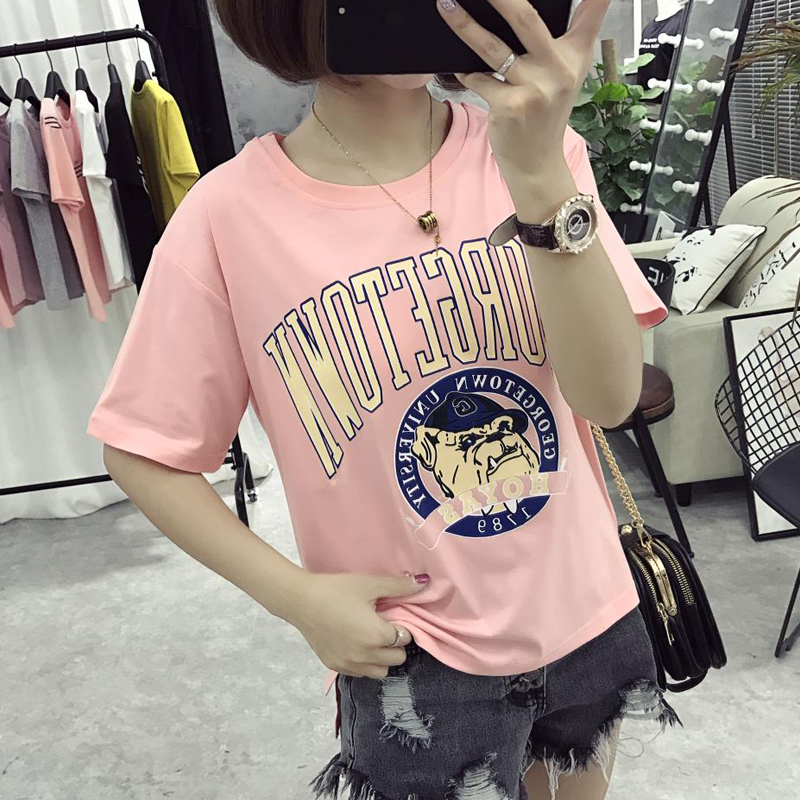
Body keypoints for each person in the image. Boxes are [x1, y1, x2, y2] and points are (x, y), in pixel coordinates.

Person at [86, 1, 681, 798]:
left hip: (585, 613)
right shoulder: (228, 220)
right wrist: (294, 597)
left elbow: (608, 398)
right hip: (412, 655)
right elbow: (142, 449)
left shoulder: (539, 151)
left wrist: (540, 175)